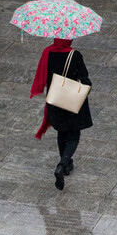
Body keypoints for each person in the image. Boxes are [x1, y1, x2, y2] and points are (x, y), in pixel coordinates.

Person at [30, 38, 93, 190]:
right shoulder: (74, 55)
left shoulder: (47, 52)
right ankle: (62, 164)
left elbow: (44, 76)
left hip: (54, 98)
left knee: (61, 132)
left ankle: (66, 165)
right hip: (70, 101)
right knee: (73, 135)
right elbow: (84, 78)